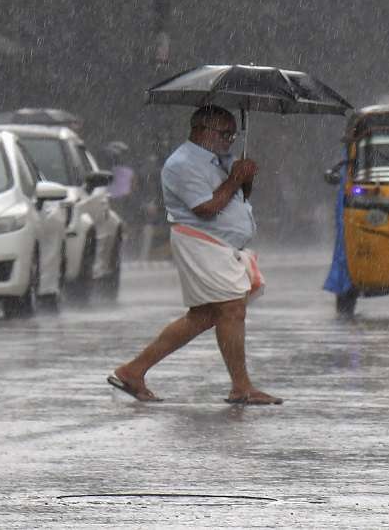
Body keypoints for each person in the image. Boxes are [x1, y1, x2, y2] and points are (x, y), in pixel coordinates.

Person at [108, 105, 282, 405]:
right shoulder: (183, 163)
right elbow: (205, 207)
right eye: (223, 133)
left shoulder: (218, 161)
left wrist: (244, 179)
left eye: (232, 133)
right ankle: (241, 387)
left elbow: (232, 199)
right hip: (203, 243)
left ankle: (133, 371)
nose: (229, 140)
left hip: (221, 247)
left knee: (203, 316)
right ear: (200, 131)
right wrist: (234, 179)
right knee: (231, 309)